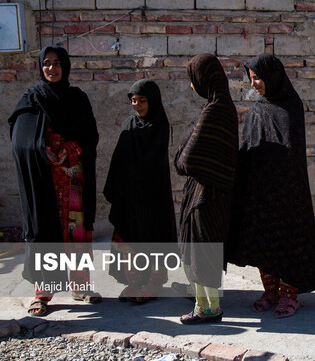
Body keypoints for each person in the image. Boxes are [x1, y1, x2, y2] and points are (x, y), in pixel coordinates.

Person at [227, 54, 315, 319]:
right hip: (260, 191)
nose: (255, 83)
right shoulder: (259, 108)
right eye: (252, 79)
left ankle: (289, 295)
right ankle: (271, 291)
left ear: (272, 76)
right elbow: (249, 145)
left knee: (287, 242)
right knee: (261, 241)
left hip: (286, 192)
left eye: (258, 78)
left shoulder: (290, 106)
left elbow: (290, 153)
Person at [9, 45, 101, 316]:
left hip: (72, 179)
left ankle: (80, 285)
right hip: (43, 182)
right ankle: (43, 293)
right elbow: (19, 137)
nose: (51, 67)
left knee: (76, 233)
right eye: (47, 63)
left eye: (57, 62)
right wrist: (42, 151)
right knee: (44, 233)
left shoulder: (77, 99)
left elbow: (90, 136)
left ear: (66, 66)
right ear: (41, 66)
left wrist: (69, 151)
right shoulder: (32, 99)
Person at [174, 53, 238, 324]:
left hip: (208, 195)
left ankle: (209, 309)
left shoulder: (215, 110)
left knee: (203, 249)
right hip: (212, 192)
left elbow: (186, 159)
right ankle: (201, 298)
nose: (191, 85)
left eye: (193, 79)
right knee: (202, 247)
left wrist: (180, 155)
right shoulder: (221, 106)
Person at [103, 80, 177, 303]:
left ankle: (154, 282)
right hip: (129, 196)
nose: (137, 105)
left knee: (152, 238)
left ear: (152, 101)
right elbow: (118, 158)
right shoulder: (129, 124)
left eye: (142, 101)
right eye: (133, 100)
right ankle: (135, 282)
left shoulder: (159, 125)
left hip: (151, 196)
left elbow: (152, 163)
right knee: (128, 239)